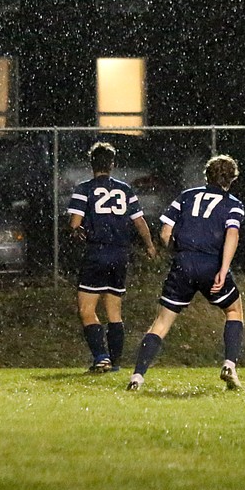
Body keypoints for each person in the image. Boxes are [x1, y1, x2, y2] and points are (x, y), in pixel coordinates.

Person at [127, 154, 245, 392]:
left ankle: (137, 376)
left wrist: (180, 253)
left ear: (207, 175)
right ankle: (229, 365)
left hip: (183, 262)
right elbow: (232, 234)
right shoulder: (233, 203)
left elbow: (164, 233)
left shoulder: (187, 196)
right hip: (211, 264)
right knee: (233, 310)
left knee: (161, 323)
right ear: (232, 179)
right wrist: (223, 269)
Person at [67, 142, 157, 373]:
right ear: (112, 165)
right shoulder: (124, 189)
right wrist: (149, 245)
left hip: (97, 252)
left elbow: (75, 223)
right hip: (120, 254)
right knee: (114, 311)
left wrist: (78, 232)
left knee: (86, 309)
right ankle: (115, 362)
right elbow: (139, 221)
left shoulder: (84, 188)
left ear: (91, 164)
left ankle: (101, 357)